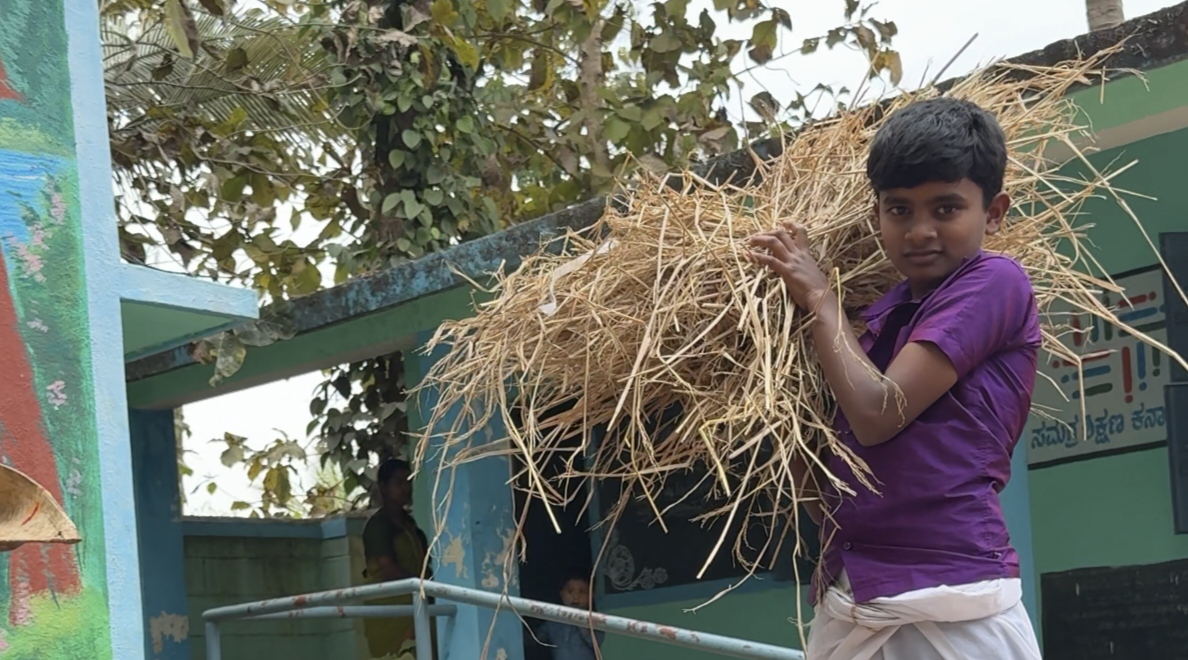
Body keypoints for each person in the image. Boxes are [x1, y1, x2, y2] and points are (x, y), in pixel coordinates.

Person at [747, 97, 1044, 660]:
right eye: (900, 210)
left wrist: (816, 297)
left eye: (946, 208)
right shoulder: (880, 319)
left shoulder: (996, 282)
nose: (920, 231)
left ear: (995, 211)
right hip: (855, 592)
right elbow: (837, 481)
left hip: (951, 590)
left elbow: (878, 413)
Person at [361, 458, 436, 660]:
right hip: (390, 610)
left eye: (408, 481)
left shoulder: (410, 525)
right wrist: (424, 586)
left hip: (416, 604)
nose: (406, 487)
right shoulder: (378, 526)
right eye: (399, 482)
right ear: (384, 488)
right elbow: (388, 569)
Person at [535, 571, 605, 660]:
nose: (576, 596)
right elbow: (539, 638)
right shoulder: (553, 619)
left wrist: (583, 624)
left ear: (591, 595)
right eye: (570, 591)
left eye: (582, 592)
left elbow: (596, 642)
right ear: (561, 594)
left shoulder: (595, 620)